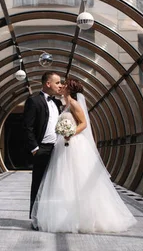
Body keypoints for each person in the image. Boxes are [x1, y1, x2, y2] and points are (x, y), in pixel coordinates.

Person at [31, 78, 137, 233]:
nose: (61, 86)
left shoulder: (74, 103)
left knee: (78, 178)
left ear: (69, 89)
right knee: (64, 181)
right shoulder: (64, 105)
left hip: (75, 144)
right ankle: (67, 217)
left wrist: (70, 133)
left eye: (64, 85)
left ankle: (85, 217)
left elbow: (83, 123)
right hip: (63, 146)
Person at [23, 71, 63, 220]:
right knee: (39, 183)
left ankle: (52, 217)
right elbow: (28, 127)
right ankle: (35, 217)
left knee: (56, 183)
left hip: (58, 148)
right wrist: (35, 149)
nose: (60, 85)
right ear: (48, 83)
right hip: (42, 148)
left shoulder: (58, 103)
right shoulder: (33, 101)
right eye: (57, 82)